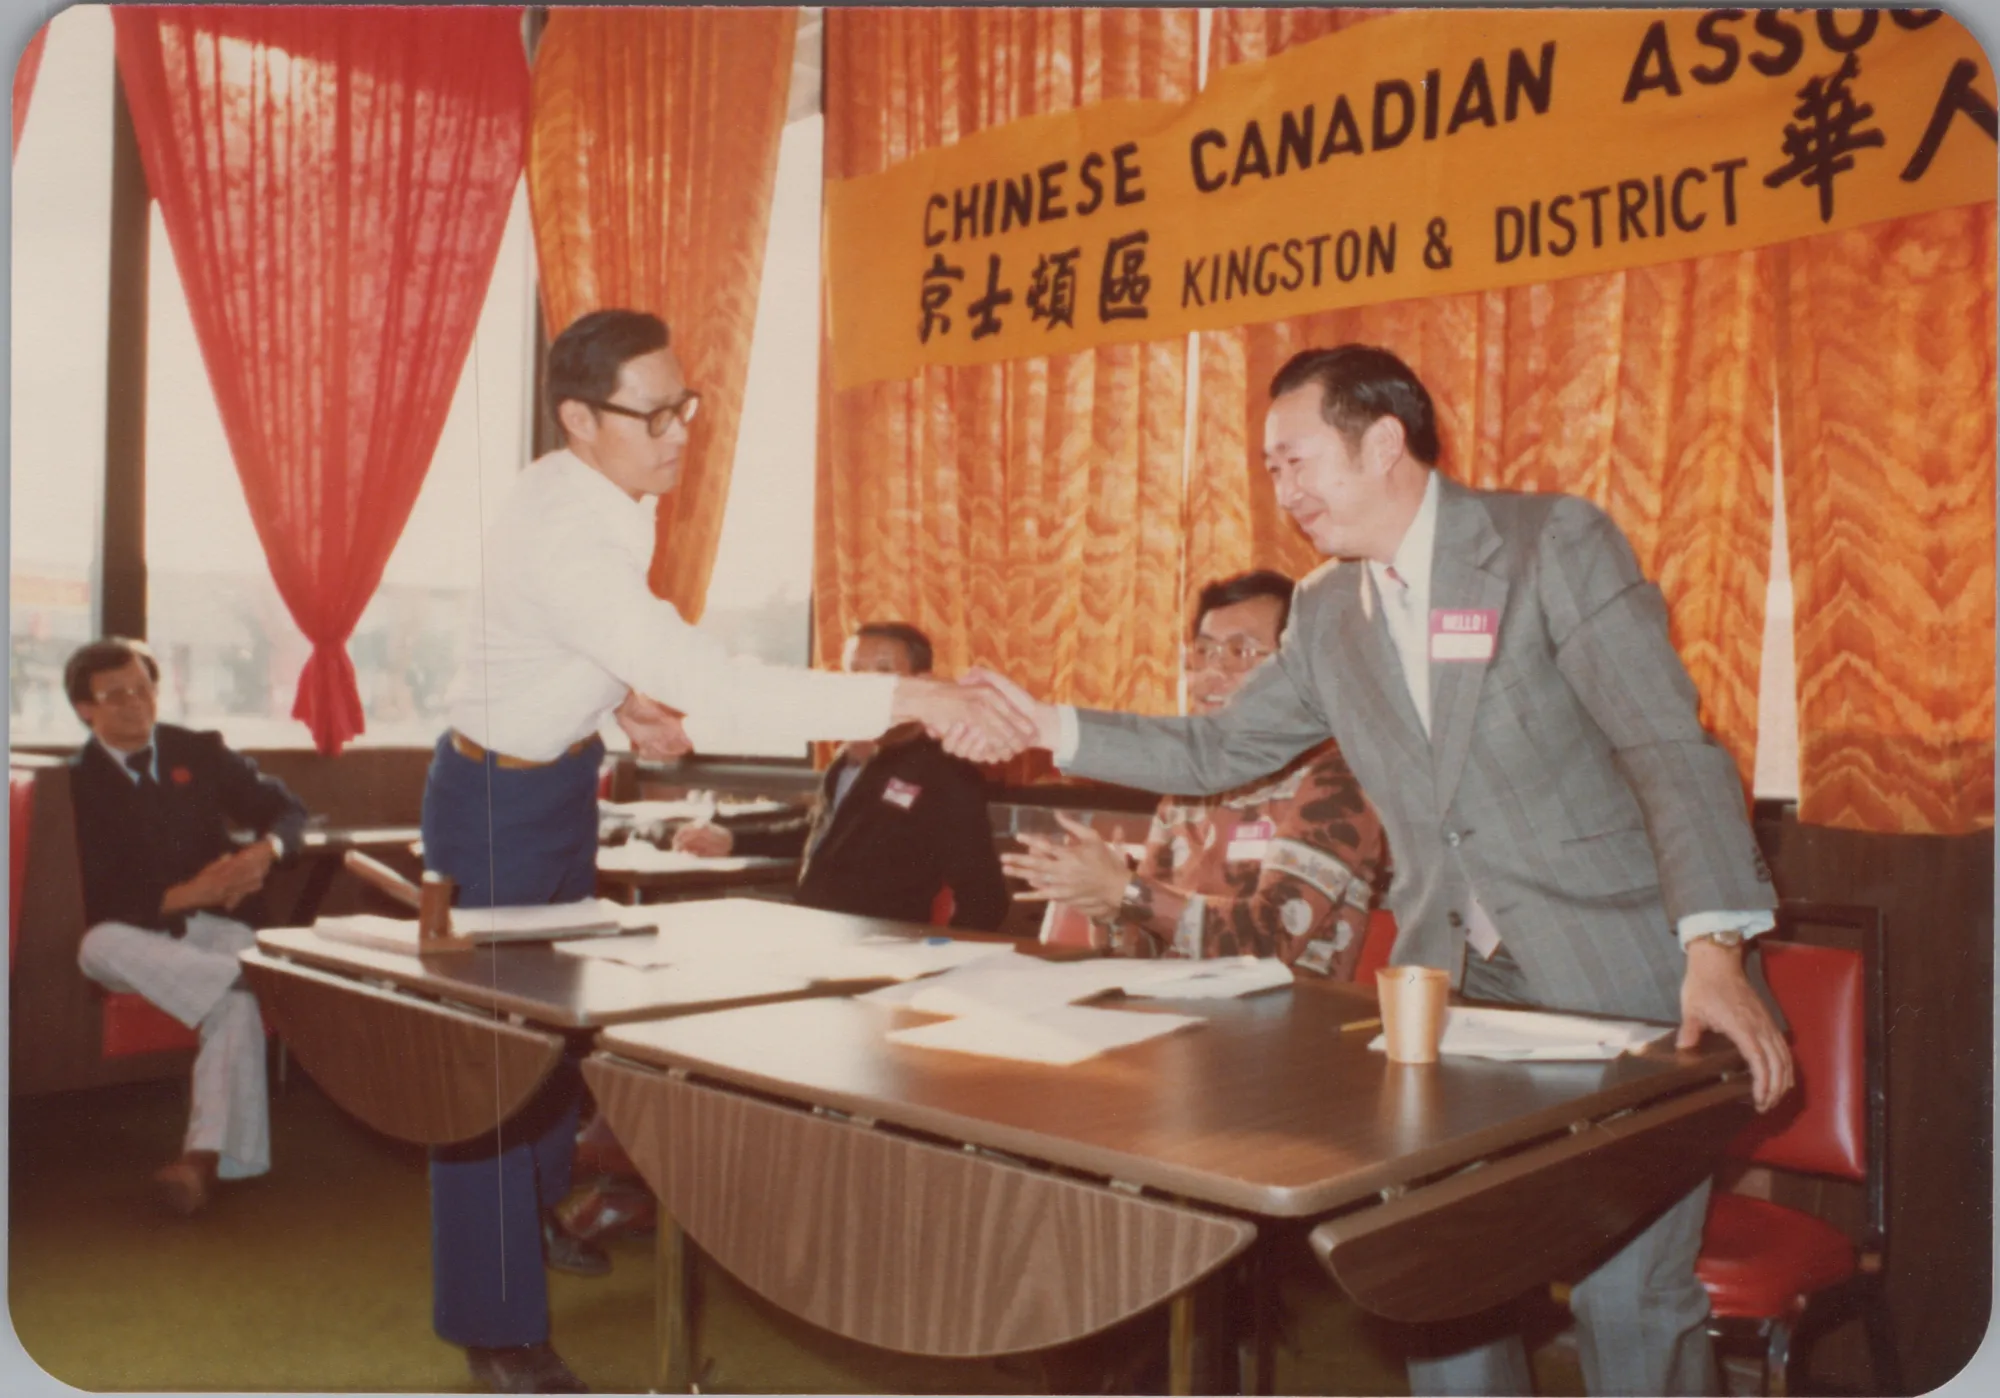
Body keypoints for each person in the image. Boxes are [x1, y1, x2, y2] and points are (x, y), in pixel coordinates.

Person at [970, 344, 1793, 1397]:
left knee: (1625, 1298)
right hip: (1457, 992)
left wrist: (1715, 952)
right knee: (1436, 1278)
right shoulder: (1324, 610)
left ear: (1384, 442)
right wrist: (1046, 725)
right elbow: (1218, 752)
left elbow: (1667, 749)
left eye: (1296, 460)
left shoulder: (1548, 544)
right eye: (1270, 469)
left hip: (1625, 975)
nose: (1283, 490)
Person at [422, 307, 1027, 1395]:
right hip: (493, 801)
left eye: (685, 407)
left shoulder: (608, 494)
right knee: (489, 1068)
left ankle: (534, 1212)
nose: (679, 435)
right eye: (653, 415)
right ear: (578, 418)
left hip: (558, 781)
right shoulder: (565, 531)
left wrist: (619, 701)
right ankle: (495, 1327)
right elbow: (715, 681)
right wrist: (908, 697)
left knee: (551, 1038)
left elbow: (580, 644)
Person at [1001, 570, 1388, 974]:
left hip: (1290, 1010)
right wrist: (1107, 909)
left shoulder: (1336, 778)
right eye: (1203, 651)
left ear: (1295, 673)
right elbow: (1146, 950)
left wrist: (1126, 891)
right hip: (1177, 1006)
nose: (1210, 673)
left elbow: (1269, 941)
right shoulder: (1187, 787)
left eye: (1240, 651)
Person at [64, 637, 305, 1217]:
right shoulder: (72, 784)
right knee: (95, 944)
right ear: (84, 709)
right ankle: (248, 979)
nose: (134, 703)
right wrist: (191, 892)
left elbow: (288, 810)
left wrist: (264, 853)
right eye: (115, 694)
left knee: (230, 998)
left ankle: (200, 1161)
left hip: (218, 929)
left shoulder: (196, 750)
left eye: (143, 688)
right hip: (138, 938)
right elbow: (98, 894)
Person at [673, 621, 1011, 931]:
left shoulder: (945, 770)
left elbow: (985, 894)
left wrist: (945, 959)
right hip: (816, 929)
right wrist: (733, 840)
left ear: (921, 683)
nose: (865, 686)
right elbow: (821, 833)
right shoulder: (849, 758)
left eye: (883, 672)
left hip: (885, 947)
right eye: (854, 672)